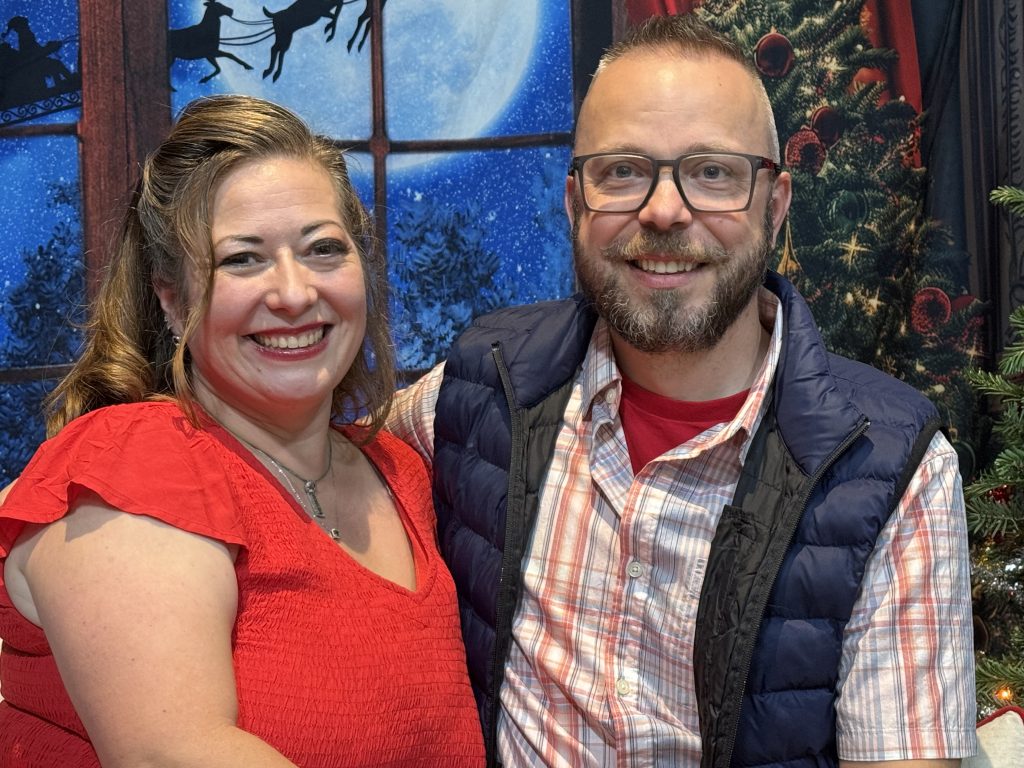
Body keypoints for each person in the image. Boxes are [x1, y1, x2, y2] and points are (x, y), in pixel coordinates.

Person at [386, 14, 977, 768]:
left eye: (713, 173)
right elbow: (316, 464)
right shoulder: (481, 386)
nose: (664, 211)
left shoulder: (893, 474)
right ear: (575, 203)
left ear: (775, 205)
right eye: (622, 171)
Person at [0, 94, 485, 767]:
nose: (294, 293)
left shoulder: (399, 470)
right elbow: (169, 754)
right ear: (172, 298)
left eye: (323, 249)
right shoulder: (134, 460)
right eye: (242, 260)